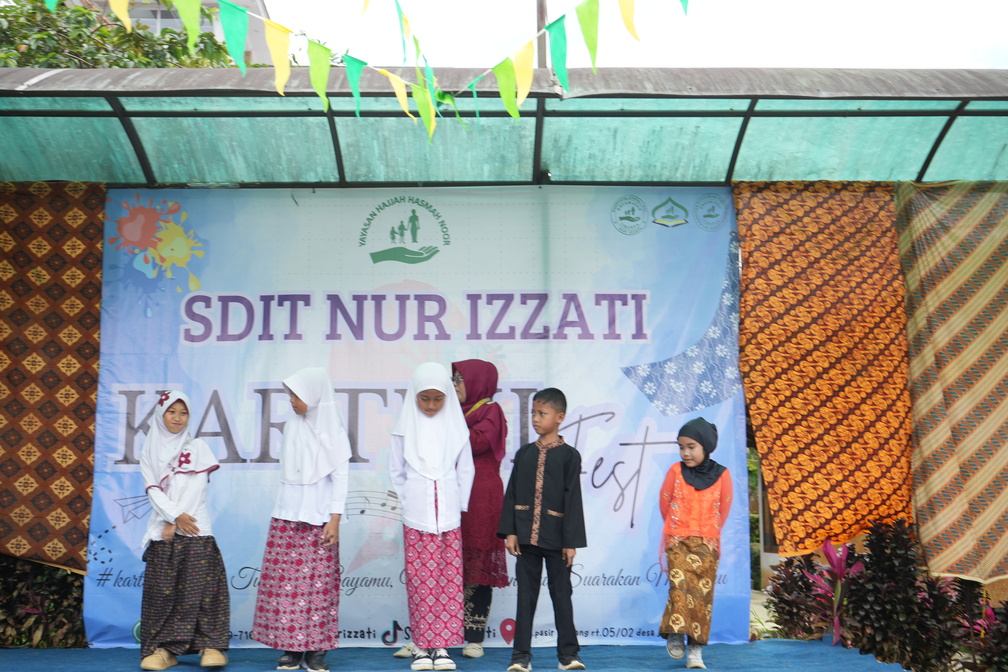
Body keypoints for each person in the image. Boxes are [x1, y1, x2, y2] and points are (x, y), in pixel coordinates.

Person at [251, 368, 351, 672]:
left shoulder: (333, 429)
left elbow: (340, 477)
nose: (292, 400)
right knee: (286, 587)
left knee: (318, 588)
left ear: (314, 394)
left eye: (297, 395)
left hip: (320, 519)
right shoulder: (292, 425)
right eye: (290, 395)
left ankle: (317, 651)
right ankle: (291, 649)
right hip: (287, 516)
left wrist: (334, 519)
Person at [389, 362, 475, 672]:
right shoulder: (404, 428)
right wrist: (410, 502)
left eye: (438, 398)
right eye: (424, 398)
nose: (431, 405)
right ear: (414, 395)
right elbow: (396, 471)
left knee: (447, 582)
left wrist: (458, 505)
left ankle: (442, 646)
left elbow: (466, 469)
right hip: (417, 518)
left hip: (448, 517)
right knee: (420, 582)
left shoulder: (456, 428)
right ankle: (422, 646)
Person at [138, 391, 229, 671]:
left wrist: (177, 519)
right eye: (171, 411)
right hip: (164, 530)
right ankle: (163, 650)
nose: (177, 418)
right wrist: (172, 517)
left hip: (195, 528)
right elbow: (152, 489)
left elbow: (195, 489)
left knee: (203, 591)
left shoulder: (197, 447)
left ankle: (211, 646)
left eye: (183, 412)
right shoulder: (149, 451)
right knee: (162, 594)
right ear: (160, 414)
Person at [498, 388, 587, 672]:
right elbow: (512, 493)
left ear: (559, 417)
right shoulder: (524, 454)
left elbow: (573, 500)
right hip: (525, 538)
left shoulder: (569, 456)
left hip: (557, 538)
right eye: (533, 413)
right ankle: (520, 656)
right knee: (526, 596)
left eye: (542, 413)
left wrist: (570, 542)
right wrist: (511, 531)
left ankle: (568, 655)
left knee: (562, 595)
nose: (536, 419)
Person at [658, 417, 732, 670]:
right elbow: (665, 503)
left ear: (705, 447)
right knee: (679, 589)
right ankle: (677, 631)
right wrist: (678, 528)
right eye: (681, 447)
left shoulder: (722, 475)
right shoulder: (675, 471)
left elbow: (724, 509)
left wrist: (707, 533)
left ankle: (696, 650)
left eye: (691, 447)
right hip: (677, 540)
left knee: (701, 597)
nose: (685, 453)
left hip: (707, 544)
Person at [451, 360, 509, 658]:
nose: (455, 385)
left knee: (478, 563)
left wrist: (446, 423)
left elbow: (478, 442)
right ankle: (433, 635)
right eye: (453, 379)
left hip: (481, 498)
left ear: (477, 381)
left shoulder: (490, 410)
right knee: (445, 564)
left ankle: (474, 637)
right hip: (451, 495)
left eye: (460, 379)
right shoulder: (451, 411)